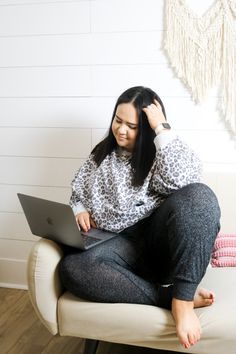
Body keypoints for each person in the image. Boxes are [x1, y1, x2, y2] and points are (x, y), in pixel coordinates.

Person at [59, 86, 221, 349]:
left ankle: (182, 300)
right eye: (117, 121)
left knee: (200, 196)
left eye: (132, 126)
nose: (121, 130)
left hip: (160, 243)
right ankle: (165, 297)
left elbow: (185, 181)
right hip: (119, 245)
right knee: (73, 268)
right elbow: (78, 191)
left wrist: (162, 128)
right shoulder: (102, 153)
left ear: (146, 129)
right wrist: (80, 209)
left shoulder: (162, 153)